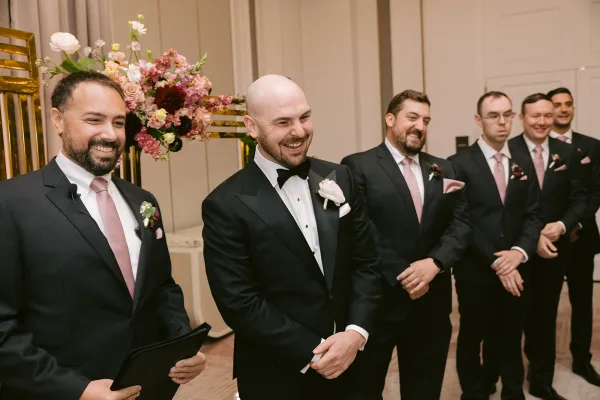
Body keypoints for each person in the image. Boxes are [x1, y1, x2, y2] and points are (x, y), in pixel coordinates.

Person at [0, 71, 205, 400]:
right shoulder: (11, 204)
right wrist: (76, 389)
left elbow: (162, 287)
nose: (110, 134)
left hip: (149, 387)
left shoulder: (143, 201)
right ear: (58, 120)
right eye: (94, 120)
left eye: (119, 122)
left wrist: (181, 342)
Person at [202, 74, 382, 400]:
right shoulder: (225, 204)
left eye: (305, 117)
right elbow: (239, 301)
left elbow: (367, 262)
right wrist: (314, 352)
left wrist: (355, 333)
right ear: (252, 127)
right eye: (283, 122)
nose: (299, 131)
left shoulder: (340, 176)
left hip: (355, 360)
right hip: (279, 371)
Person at [341, 90, 471, 399]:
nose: (420, 126)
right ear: (390, 119)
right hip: (378, 301)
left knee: (425, 387)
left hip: (432, 304)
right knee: (366, 385)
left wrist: (434, 264)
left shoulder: (446, 169)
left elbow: (462, 224)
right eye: (412, 117)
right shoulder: (358, 166)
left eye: (425, 120)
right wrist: (407, 274)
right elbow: (360, 229)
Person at [449, 91, 544, 400]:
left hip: (517, 266)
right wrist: (497, 261)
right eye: (493, 116)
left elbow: (533, 215)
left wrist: (518, 253)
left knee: (510, 332)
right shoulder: (457, 164)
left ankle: (512, 390)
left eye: (507, 115)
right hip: (475, 270)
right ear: (479, 120)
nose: (502, 122)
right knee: (472, 334)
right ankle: (475, 391)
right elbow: (461, 220)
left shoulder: (523, 161)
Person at [505, 93, 586, 400]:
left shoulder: (568, 152)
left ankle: (541, 381)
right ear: (522, 118)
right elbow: (502, 207)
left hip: (555, 250)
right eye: (535, 116)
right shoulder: (507, 150)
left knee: (545, 318)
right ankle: (510, 384)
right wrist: (532, 236)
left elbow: (579, 198)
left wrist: (563, 225)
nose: (542, 122)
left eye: (547, 116)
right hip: (517, 250)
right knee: (512, 318)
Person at [548, 87, 600, 387]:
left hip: (582, 237)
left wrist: (573, 223)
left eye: (568, 104)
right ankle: (540, 364)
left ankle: (582, 360)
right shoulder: (535, 147)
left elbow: (595, 191)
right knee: (543, 305)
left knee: (582, 303)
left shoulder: (592, 147)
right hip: (548, 240)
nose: (564, 109)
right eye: (557, 104)